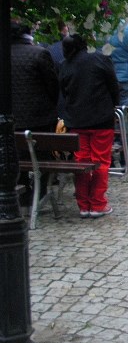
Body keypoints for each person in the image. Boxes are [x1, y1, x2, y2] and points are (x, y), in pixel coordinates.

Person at [59, 33, 120, 218]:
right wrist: (113, 105)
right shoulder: (100, 59)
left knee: (82, 161)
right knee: (100, 161)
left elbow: (64, 92)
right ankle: (97, 203)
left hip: (76, 120)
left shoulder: (66, 65)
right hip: (101, 119)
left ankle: (84, 204)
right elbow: (113, 86)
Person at [10, 20, 59, 208]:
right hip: (40, 117)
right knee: (43, 155)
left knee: (17, 156)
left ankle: (22, 192)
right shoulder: (39, 54)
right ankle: (41, 192)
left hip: (13, 118)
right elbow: (52, 85)